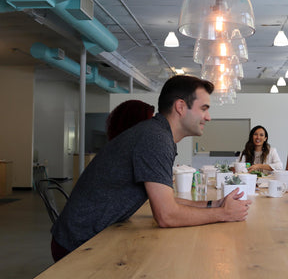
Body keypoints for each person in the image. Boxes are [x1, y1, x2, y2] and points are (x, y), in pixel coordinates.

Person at [51, 75, 251, 262]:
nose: (208, 117)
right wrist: (224, 214)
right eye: (204, 108)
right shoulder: (156, 139)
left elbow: (167, 201)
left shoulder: (156, 133)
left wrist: (214, 205)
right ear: (181, 106)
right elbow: (166, 215)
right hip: (77, 245)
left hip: (86, 237)